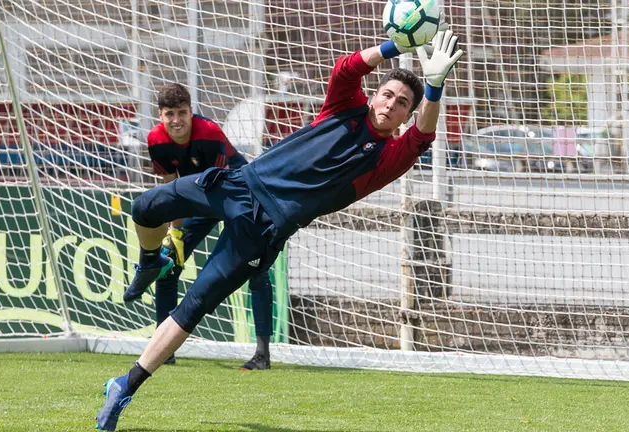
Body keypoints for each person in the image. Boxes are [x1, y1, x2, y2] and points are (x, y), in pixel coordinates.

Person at [95, 29, 463, 431]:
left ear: (405, 117)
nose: (392, 104)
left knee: (192, 308)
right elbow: (347, 68)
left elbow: (423, 135)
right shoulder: (344, 106)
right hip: (238, 186)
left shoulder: (388, 158)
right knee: (145, 207)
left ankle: (124, 385)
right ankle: (151, 260)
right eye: (388, 95)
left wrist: (434, 85)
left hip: (266, 230)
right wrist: (396, 46)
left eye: (402, 104)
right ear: (374, 96)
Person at [125, 83, 274, 370]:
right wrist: (175, 232)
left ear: (192, 111)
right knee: (168, 265)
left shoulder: (209, 133)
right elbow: (171, 188)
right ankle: (163, 350)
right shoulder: (156, 139)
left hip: (237, 195)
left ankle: (262, 354)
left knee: (257, 268)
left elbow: (219, 180)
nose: (177, 120)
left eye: (182, 113)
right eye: (170, 114)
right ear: (160, 115)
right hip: (199, 197)